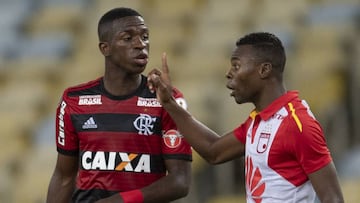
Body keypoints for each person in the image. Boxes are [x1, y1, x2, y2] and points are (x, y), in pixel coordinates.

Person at [148, 32, 344, 203]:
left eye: (236, 65)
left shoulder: (297, 125)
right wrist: (169, 103)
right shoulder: (258, 121)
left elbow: (333, 198)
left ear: (264, 70)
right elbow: (213, 151)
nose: (228, 73)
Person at [46, 7, 192, 203]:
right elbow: (64, 177)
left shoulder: (167, 100)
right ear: (105, 48)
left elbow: (180, 182)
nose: (141, 44)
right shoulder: (74, 100)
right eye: (128, 38)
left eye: (145, 36)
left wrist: (120, 201)